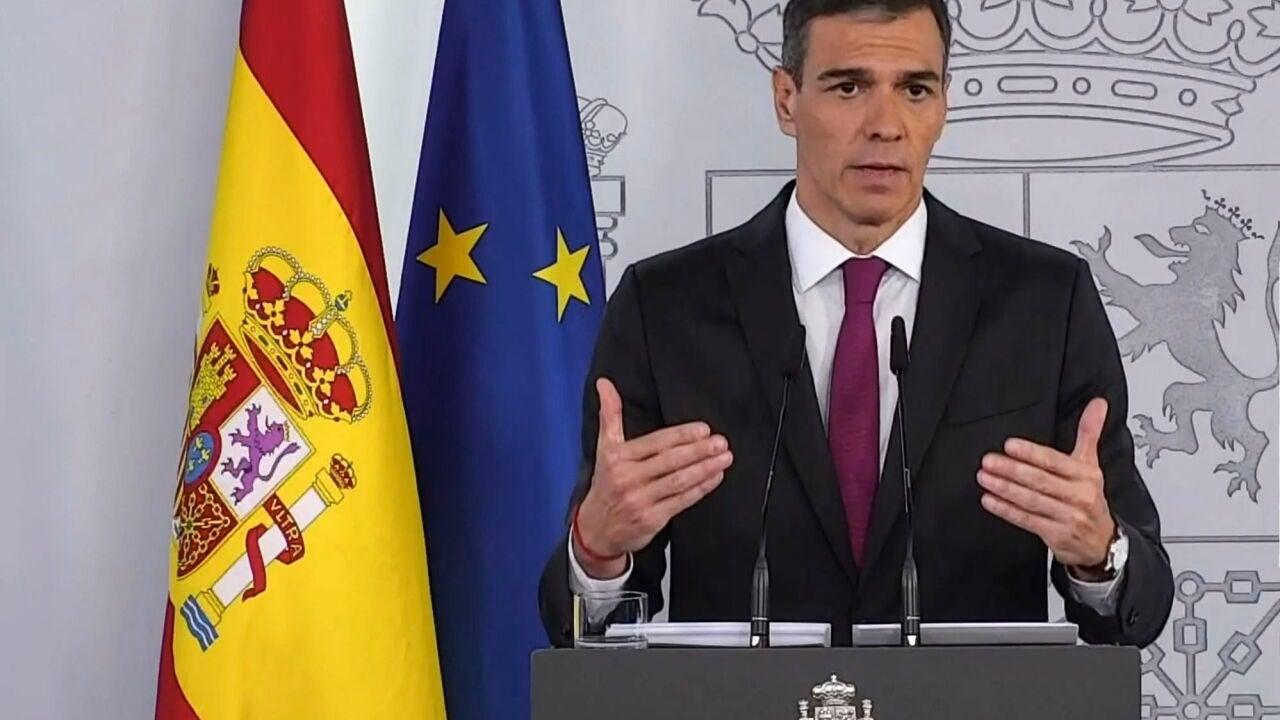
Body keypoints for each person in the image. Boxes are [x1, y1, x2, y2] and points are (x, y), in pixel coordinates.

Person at [538, 0, 1174, 647]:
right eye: (849, 87)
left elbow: (1137, 609)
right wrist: (597, 551)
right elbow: (588, 629)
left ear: (943, 104)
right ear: (787, 99)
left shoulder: (1045, 303)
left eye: (915, 90)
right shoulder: (664, 307)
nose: (885, 125)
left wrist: (1099, 553)